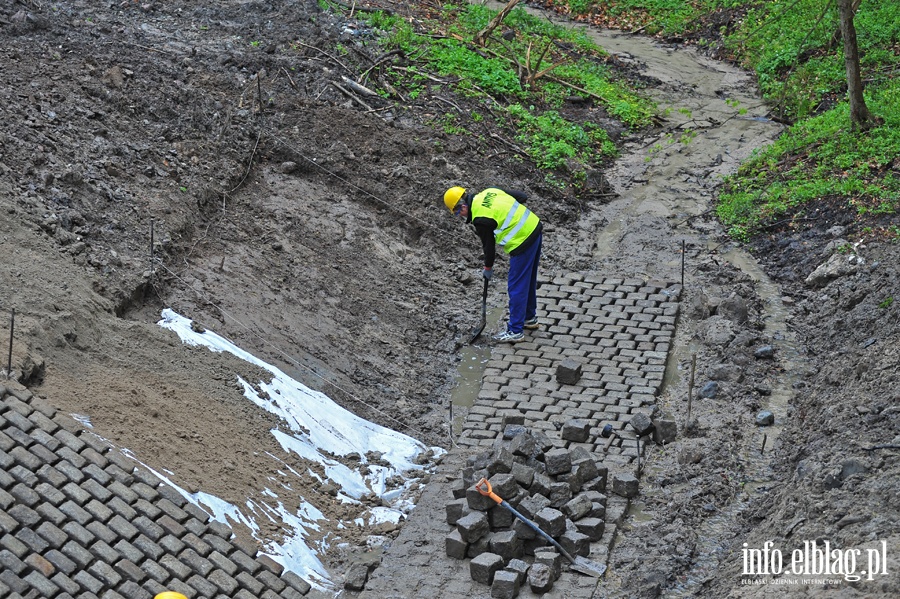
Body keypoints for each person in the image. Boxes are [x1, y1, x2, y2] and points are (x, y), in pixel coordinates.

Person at [444, 185, 543, 343]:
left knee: (516, 286)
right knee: (528, 279)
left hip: (522, 241)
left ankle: (515, 330)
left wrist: (487, 269)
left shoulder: (479, 218)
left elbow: (489, 248)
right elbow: (522, 196)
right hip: (534, 227)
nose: (459, 216)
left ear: (463, 206)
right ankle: (529, 318)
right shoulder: (490, 192)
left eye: (457, 213)